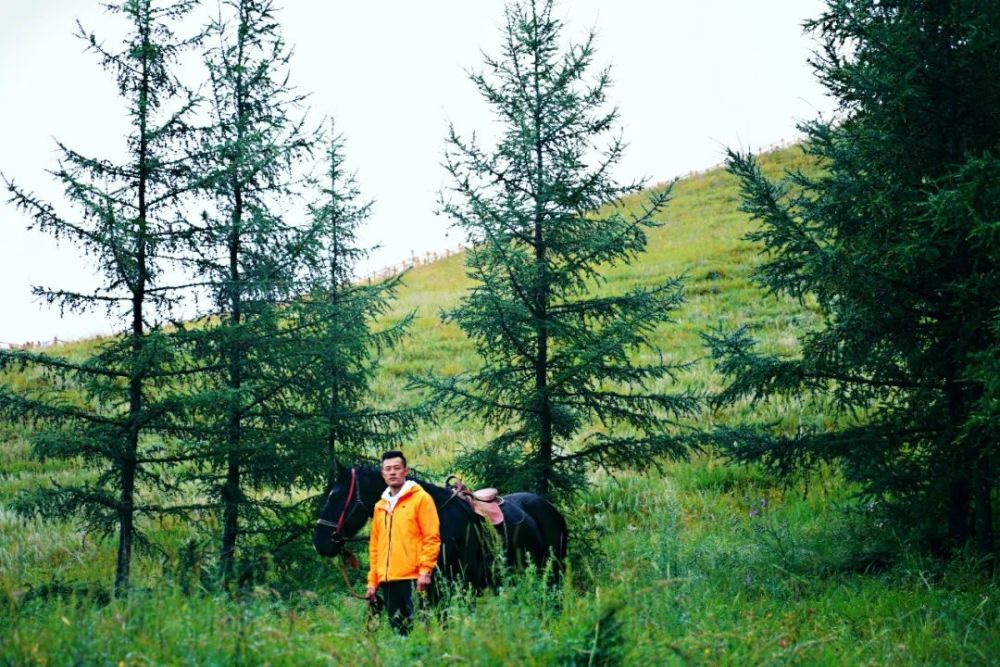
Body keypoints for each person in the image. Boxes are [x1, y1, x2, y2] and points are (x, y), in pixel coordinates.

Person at [365, 450, 441, 634]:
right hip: (388, 581)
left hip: (414, 579)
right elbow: (375, 547)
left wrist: (425, 571)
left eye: (397, 468)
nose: (392, 472)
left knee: (421, 631)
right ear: (383, 475)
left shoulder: (421, 499)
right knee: (399, 633)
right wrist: (372, 582)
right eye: (388, 469)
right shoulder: (379, 506)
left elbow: (431, 538)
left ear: (405, 471)